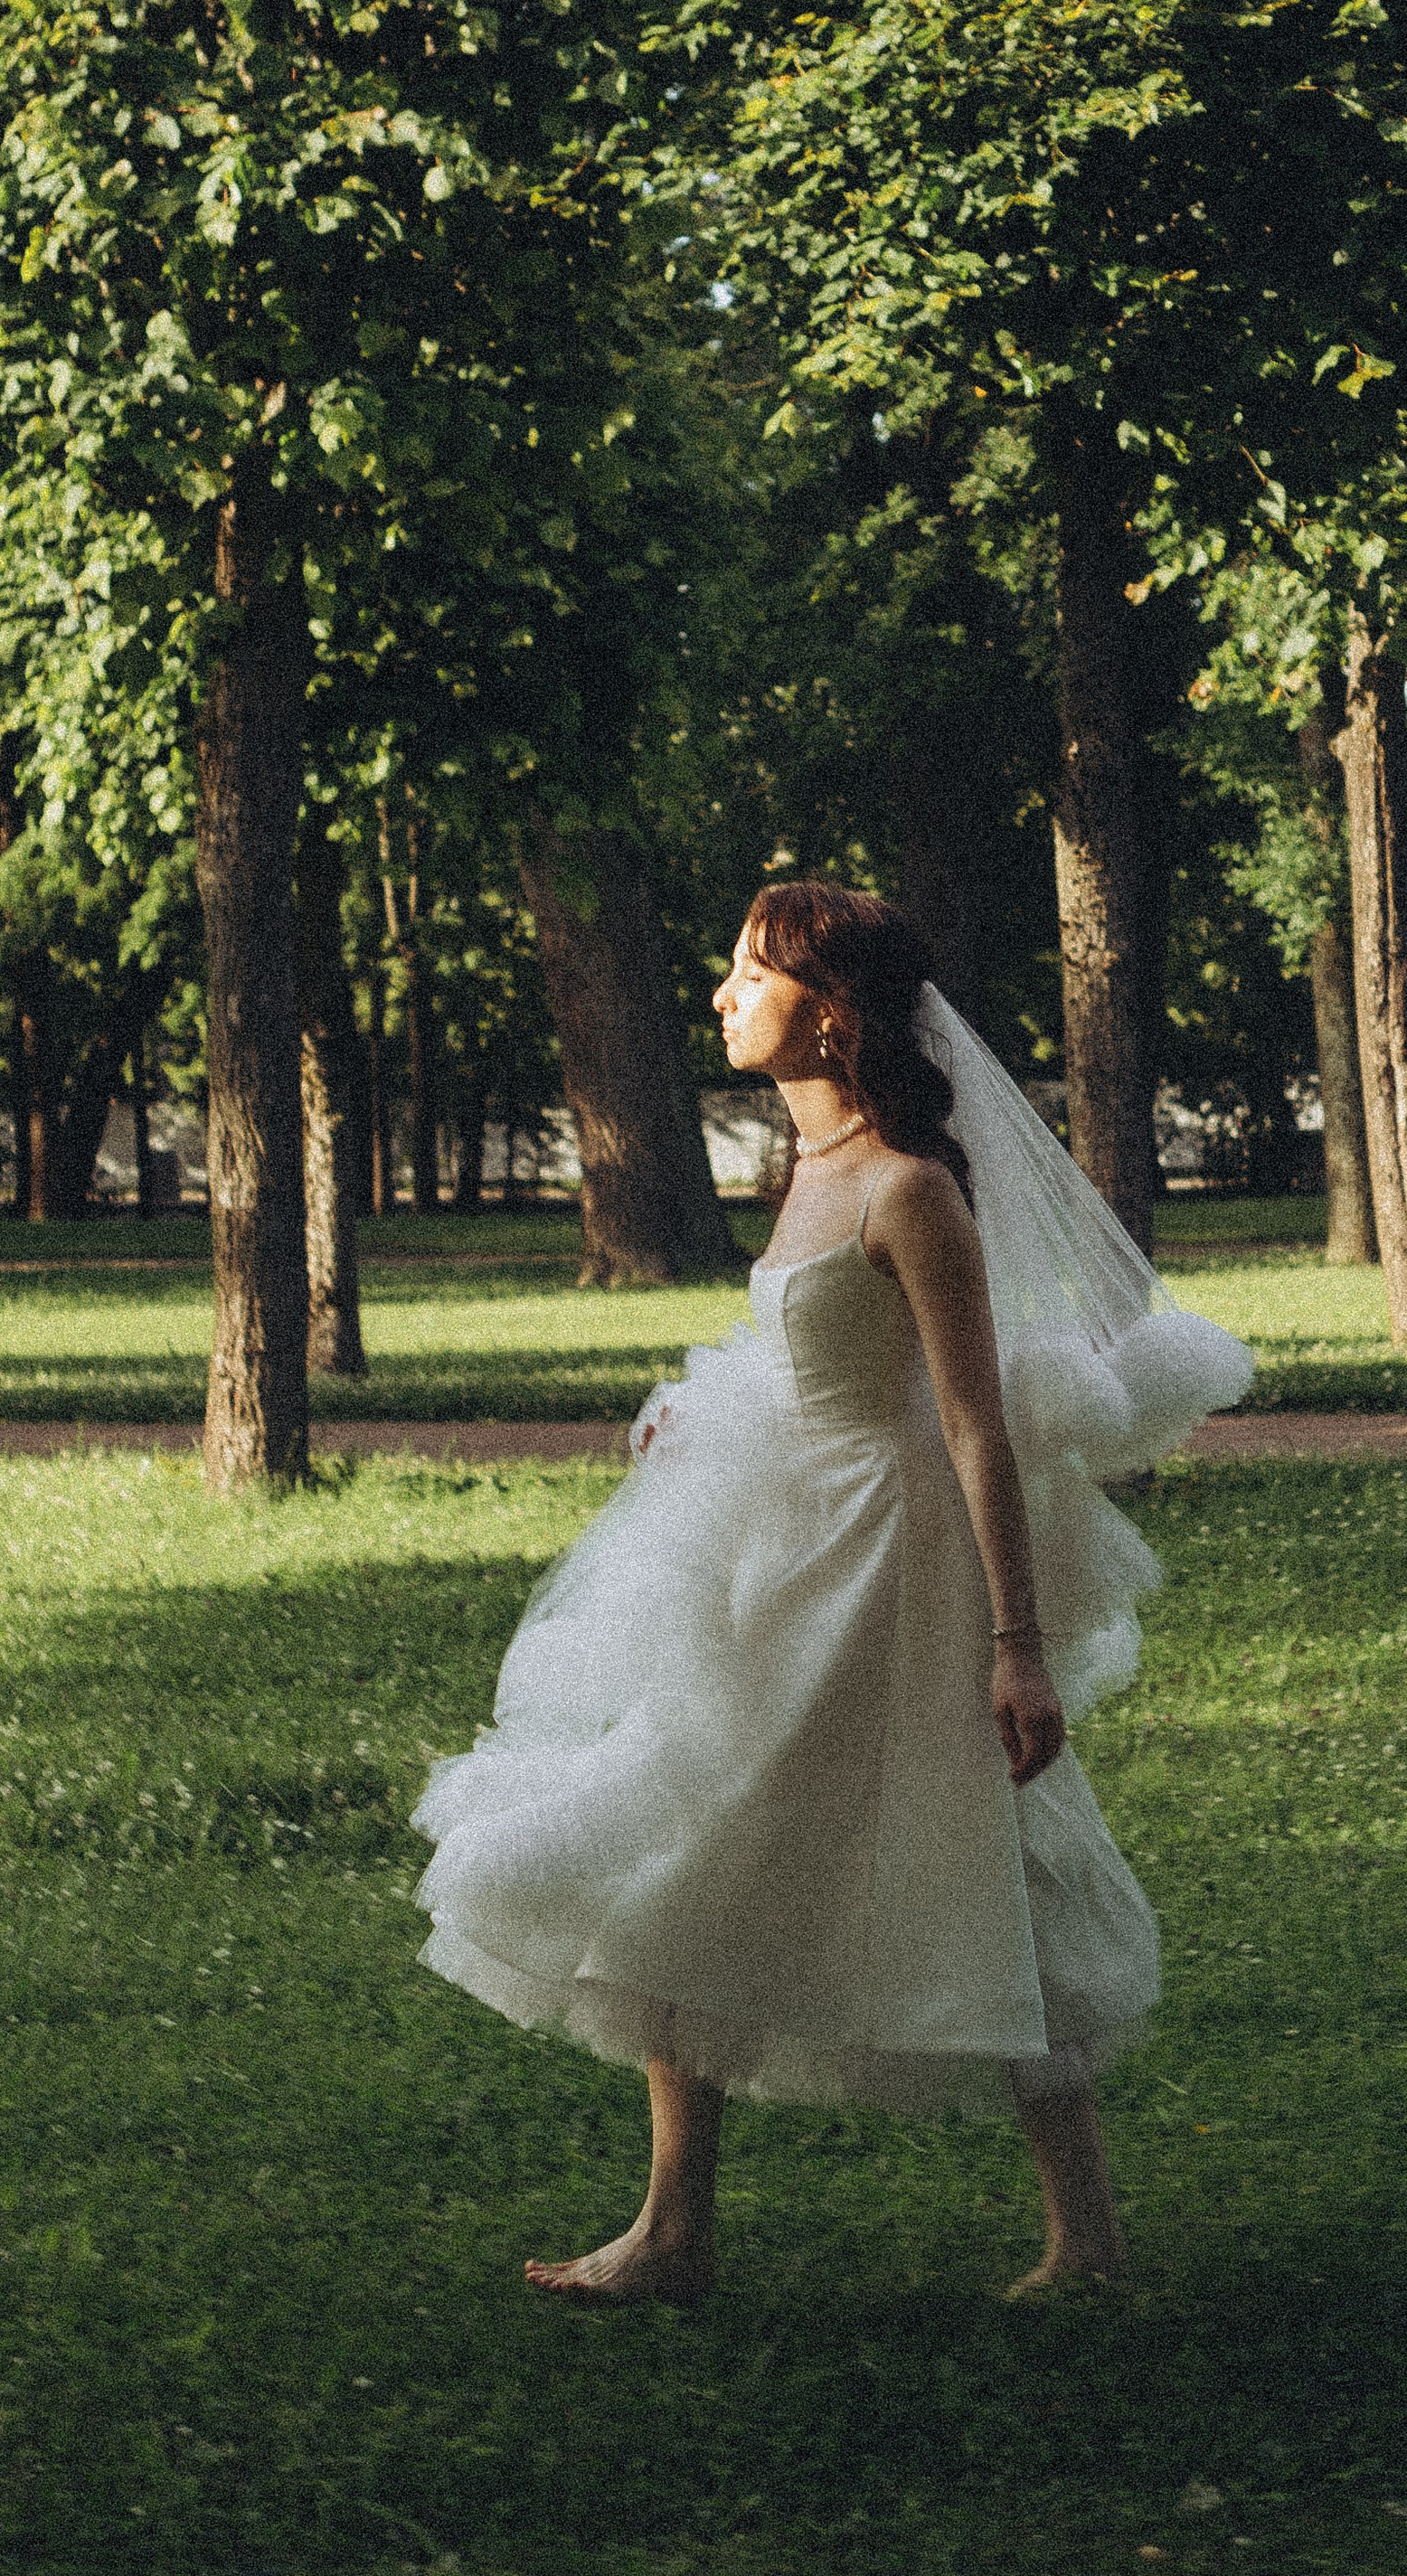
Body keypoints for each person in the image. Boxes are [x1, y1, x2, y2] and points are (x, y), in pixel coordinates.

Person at [411, 882, 1251, 2304]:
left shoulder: (913, 1190)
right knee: (689, 1827)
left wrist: (1017, 1647)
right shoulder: (806, 1169)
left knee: (995, 1853)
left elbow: (974, 1425)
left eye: (753, 975)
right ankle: (675, 2229)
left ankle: (1088, 2239)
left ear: (836, 1017)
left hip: (890, 1567)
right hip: (781, 1546)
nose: (726, 996)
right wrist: (708, 1418)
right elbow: (819, 1363)